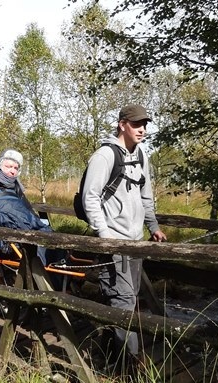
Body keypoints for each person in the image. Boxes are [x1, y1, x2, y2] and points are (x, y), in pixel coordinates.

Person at [81, 104, 167, 366]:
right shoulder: (104, 156)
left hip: (135, 241)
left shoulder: (141, 154)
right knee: (123, 300)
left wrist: (152, 226)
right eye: (136, 124)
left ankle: (108, 353)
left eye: (145, 125)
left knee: (128, 298)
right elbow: (90, 197)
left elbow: (146, 195)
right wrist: (104, 233)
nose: (142, 130)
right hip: (113, 241)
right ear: (122, 124)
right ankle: (128, 364)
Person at [0, 149, 55, 268]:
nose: (12, 171)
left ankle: (50, 273)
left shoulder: (16, 187)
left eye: (15, 168)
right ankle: (38, 275)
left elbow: (29, 211)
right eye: (9, 166)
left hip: (21, 232)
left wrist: (37, 223)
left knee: (52, 241)